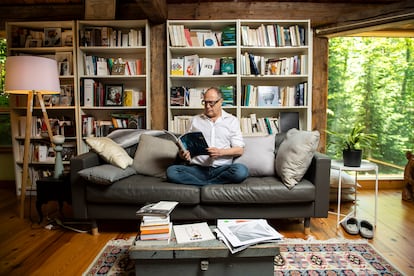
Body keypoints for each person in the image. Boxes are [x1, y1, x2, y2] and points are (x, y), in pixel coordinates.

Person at [166, 87, 249, 186]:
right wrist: (183, 154)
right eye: (204, 102)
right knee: (171, 171)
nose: (207, 106)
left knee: (241, 171)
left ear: (221, 102)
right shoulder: (194, 120)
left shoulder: (232, 121)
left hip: (221, 169)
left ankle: (201, 185)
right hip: (197, 169)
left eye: (211, 103)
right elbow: (185, 148)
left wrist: (220, 152)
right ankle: (210, 184)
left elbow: (239, 150)